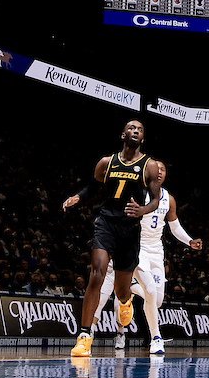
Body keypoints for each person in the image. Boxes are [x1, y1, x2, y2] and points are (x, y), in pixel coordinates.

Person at [62, 119, 163, 357]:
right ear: (123, 134)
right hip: (106, 222)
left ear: (143, 137)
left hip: (129, 229)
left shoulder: (149, 165)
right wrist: (78, 196)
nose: (135, 131)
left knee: (121, 290)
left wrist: (142, 210)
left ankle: (125, 302)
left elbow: (156, 200)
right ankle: (84, 336)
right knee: (96, 274)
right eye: (131, 128)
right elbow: (92, 187)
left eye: (140, 129)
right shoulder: (107, 162)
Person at [94, 161, 203, 354]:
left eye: (163, 169)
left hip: (156, 251)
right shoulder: (138, 192)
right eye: (157, 169)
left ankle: (129, 289)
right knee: (151, 291)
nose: (160, 172)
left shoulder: (169, 198)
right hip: (137, 248)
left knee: (157, 300)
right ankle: (156, 338)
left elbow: (174, 226)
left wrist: (190, 241)